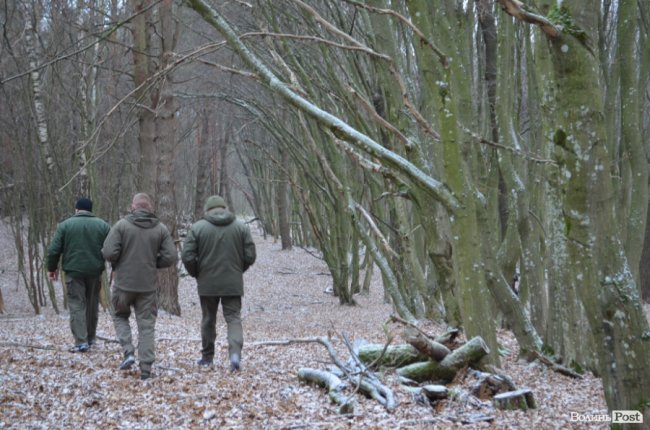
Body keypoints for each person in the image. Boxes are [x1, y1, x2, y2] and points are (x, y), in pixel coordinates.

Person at [102, 193, 177, 380]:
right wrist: (153, 263)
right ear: (150, 207)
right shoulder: (160, 229)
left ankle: (128, 352)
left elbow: (108, 252)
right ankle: (146, 368)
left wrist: (120, 261)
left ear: (133, 206)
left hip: (123, 284)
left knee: (120, 316)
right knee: (146, 325)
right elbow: (171, 256)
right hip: (148, 286)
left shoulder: (121, 226)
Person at [181, 195, 256, 371]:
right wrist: (238, 270)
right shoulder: (241, 227)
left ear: (208, 210)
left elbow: (187, 256)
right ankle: (235, 355)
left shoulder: (197, 228)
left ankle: (207, 358)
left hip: (207, 283)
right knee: (233, 319)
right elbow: (250, 256)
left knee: (208, 319)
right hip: (232, 283)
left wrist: (197, 272)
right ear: (224, 208)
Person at [47, 197, 111, 353]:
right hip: (95, 272)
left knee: (77, 304)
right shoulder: (103, 225)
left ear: (76, 209)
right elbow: (113, 248)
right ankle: (90, 338)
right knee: (92, 304)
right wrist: (114, 266)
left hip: (73, 272)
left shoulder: (65, 225)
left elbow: (54, 250)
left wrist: (52, 268)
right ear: (90, 210)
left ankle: (81, 341)